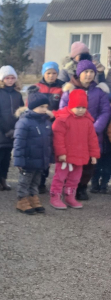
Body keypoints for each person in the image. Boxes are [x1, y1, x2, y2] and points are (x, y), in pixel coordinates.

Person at [59, 59, 110, 200]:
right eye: (86, 72)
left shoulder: (100, 92)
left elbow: (105, 111)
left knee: (89, 165)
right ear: (79, 73)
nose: (89, 75)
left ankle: (82, 188)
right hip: (73, 134)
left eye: (92, 72)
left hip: (93, 134)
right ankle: (68, 187)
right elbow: (63, 110)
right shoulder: (70, 90)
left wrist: (95, 128)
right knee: (71, 163)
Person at [50, 89, 100, 210]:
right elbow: (58, 138)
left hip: (80, 156)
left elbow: (92, 139)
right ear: (71, 105)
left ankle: (69, 196)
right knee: (60, 177)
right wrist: (61, 153)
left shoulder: (88, 121)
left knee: (75, 178)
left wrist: (93, 155)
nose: (81, 110)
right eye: (78, 107)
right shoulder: (62, 119)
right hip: (65, 157)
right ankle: (55, 196)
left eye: (83, 107)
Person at [12, 92, 54, 214]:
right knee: (25, 181)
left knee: (36, 180)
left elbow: (50, 142)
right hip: (28, 159)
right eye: (41, 107)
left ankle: (32, 197)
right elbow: (19, 143)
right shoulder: (24, 122)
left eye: (46, 107)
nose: (44, 109)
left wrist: (49, 158)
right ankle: (22, 200)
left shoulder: (46, 122)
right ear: (32, 107)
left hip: (41, 159)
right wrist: (19, 160)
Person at [0, 66, 24, 191]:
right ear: (1, 79)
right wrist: (6, 129)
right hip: (0, 130)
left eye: (12, 77)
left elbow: (21, 111)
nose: (10, 80)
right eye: (7, 78)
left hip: (14, 130)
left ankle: (3, 178)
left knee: (7, 156)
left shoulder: (17, 94)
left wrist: (18, 128)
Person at [31, 61, 65, 193]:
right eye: (48, 73)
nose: (51, 76)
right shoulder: (36, 87)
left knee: (50, 155)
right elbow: (31, 105)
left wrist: (54, 114)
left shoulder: (62, 88)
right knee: (39, 152)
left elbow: (65, 107)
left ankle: (50, 181)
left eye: (54, 73)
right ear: (43, 73)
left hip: (55, 125)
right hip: (39, 124)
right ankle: (38, 181)